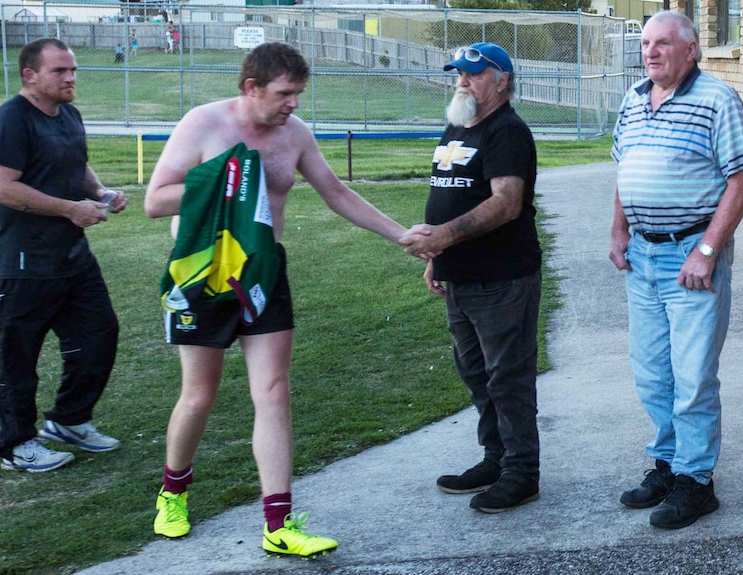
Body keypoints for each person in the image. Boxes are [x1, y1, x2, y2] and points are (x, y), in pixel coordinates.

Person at [144, 42, 407, 557]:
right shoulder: (204, 124)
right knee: (200, 396)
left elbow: (337, 193)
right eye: (286, 94)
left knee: (274, 390)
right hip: (202, 272)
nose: (294, 105)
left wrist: (401, 236)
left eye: (299, 95)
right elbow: (156, 201)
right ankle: (172, 492)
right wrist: (225, 178)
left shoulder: (296, 135)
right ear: (251, 87)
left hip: (263, 270)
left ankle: (279, 524)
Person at [609, 11, 743, 530]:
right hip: (642, 258)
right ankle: (668, 465)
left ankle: (697, 482)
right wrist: (618, 230)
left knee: (692, 375)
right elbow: (624, 170)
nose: (651, 52)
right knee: (652, 372)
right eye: (646, 43)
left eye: (663, 43)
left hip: (690, 256)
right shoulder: (632, 98)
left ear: (690, 49)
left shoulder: (717, 99)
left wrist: (709, 251)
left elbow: (740, 182)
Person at [399, 42, 543, 514]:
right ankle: (495, 458)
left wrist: (441, 235)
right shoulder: (460, 124)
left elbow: (506, 202)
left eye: (473, 74)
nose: (462, 80)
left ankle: (522, 473)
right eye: (458, 72)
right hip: (460, 276)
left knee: (508, 378)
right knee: (477, 374)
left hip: (501, 279)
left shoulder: (507, 132)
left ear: (501, 80)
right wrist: (437, 255)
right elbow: (450, 193)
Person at [0, 38, 128, 473]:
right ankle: (17, 445)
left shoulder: (68, 114)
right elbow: (2, 187)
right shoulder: (11, 120)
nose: (71, 78)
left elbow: (74, 162)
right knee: (17, 357)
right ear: (30, 75)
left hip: (72, 259)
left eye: (73, 70)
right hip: (23, 264)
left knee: (99, 335)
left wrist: (100, 192)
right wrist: (70, 209)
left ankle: (69, 420)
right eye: (60, 71)